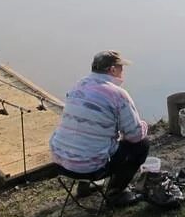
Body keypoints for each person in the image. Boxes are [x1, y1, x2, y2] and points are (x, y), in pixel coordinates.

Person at [50, 50, 149, 207]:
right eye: (121, 67)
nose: (123, 71)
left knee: (89, 137)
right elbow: (135, 135)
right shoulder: (118, 94)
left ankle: (83, 187)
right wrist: (144, 125)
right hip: (89, 168)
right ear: (112, 69)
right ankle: (115, 194)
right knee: (142, 145)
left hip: (60, 162)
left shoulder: (78, 86)